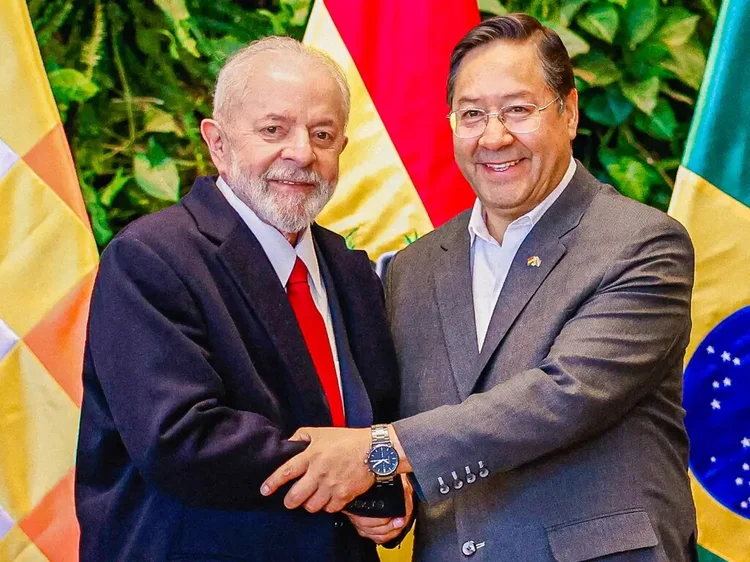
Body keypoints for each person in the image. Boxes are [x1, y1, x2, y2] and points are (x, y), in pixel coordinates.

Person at [261, 14, 698, 562]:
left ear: (569, 112)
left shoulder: (642, 243)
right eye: (472, 114)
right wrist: (382, 496)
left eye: (518, 109)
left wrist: (377, 452)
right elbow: (406, 421)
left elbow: (564, 395)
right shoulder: (413, 268)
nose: (494, 136)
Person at [75, 37, 410, 562]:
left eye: (322, 134)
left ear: (342, 148)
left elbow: (381, 422)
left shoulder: (351, 271)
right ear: (218, 142)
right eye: (274, 130)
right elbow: (182, 440)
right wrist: (353, 471)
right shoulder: (150, 259)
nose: (302, 152)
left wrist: (385, 480)